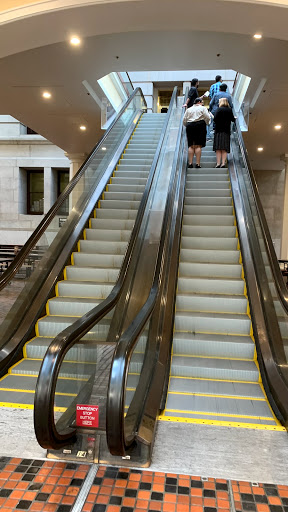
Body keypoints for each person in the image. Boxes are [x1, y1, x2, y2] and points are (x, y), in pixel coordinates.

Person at [183, 97, 210, 168]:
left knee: (191, 145)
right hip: (200, 125)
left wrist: (187, 125)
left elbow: (184, 119)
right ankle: (197, 163)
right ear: (199, 102)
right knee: (198, 145)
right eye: (202, 102)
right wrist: (207, 123)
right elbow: (207, 117)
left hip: (190, 126)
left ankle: (190, 163)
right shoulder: (203, 108)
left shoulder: (189, 109)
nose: (202, 104)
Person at [213, 97, 235, 168]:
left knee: (218, 148)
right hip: (226, 131)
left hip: (218, 131)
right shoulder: (229, 110)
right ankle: (223, 163)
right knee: (224, 148)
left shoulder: (218, 109)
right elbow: (232, 119)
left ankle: (218, 163)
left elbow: (215, 119)